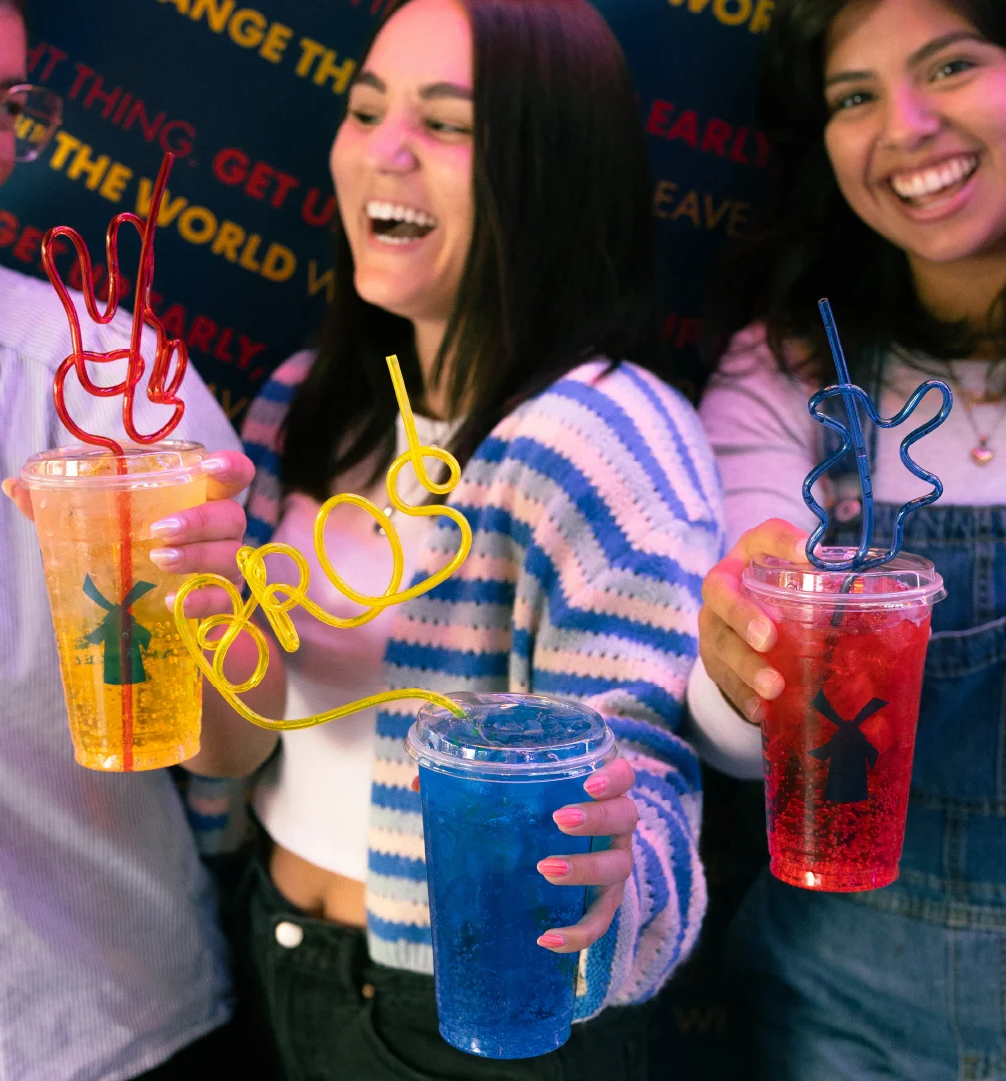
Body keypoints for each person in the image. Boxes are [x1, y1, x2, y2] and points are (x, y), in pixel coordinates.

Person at [182, 0, 725, 1077]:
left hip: (473, 1016)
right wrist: (191, 621)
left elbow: (643, 776)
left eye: (448, 125)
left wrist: (617, 875)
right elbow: (223, 748)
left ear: (549, 168)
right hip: (272, 957)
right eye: (365, 108)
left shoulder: (600, 435)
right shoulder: (303, 406)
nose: (384, 151)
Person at [0, 0, 255, 1078]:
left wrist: (218, 619)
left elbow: (228, 748)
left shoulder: (99, 385)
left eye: (10, 108)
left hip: (89, 1029)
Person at [690, 0, 1006, 1077]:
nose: (904, 125)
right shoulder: (783, 373)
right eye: (853, 96)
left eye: (951, 64)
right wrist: (745, 652)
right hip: (837, 1016)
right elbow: (736, 745)